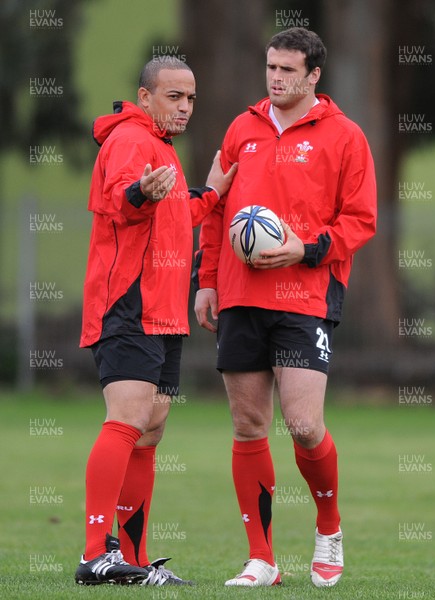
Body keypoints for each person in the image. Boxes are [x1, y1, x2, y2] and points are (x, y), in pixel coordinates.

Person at [194, 27, 376, 588]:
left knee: (301, 423)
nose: (275, 78)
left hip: (305, 296)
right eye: (271, 67)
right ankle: (262, 558)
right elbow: (215, 209)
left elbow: (360, 220)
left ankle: (329, 526)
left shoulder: (344, 136)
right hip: (239, 294)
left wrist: (306, 247)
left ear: (314, 75)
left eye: (288, 70)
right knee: (249, 425)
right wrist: (206, 280)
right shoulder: (241, 129)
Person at [76, 56, 237, 586]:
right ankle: (95, 553)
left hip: (165, 313)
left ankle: (133, 560)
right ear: (145, 97)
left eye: (191, 98)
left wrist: (211, 195)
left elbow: (172, 216)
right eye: (174, 97)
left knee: (149, 430)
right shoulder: (129, 139)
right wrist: (140, 193)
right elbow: (122, 202)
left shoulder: (162, 147)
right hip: (128, 306)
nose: (185, 107)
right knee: (127, 420)